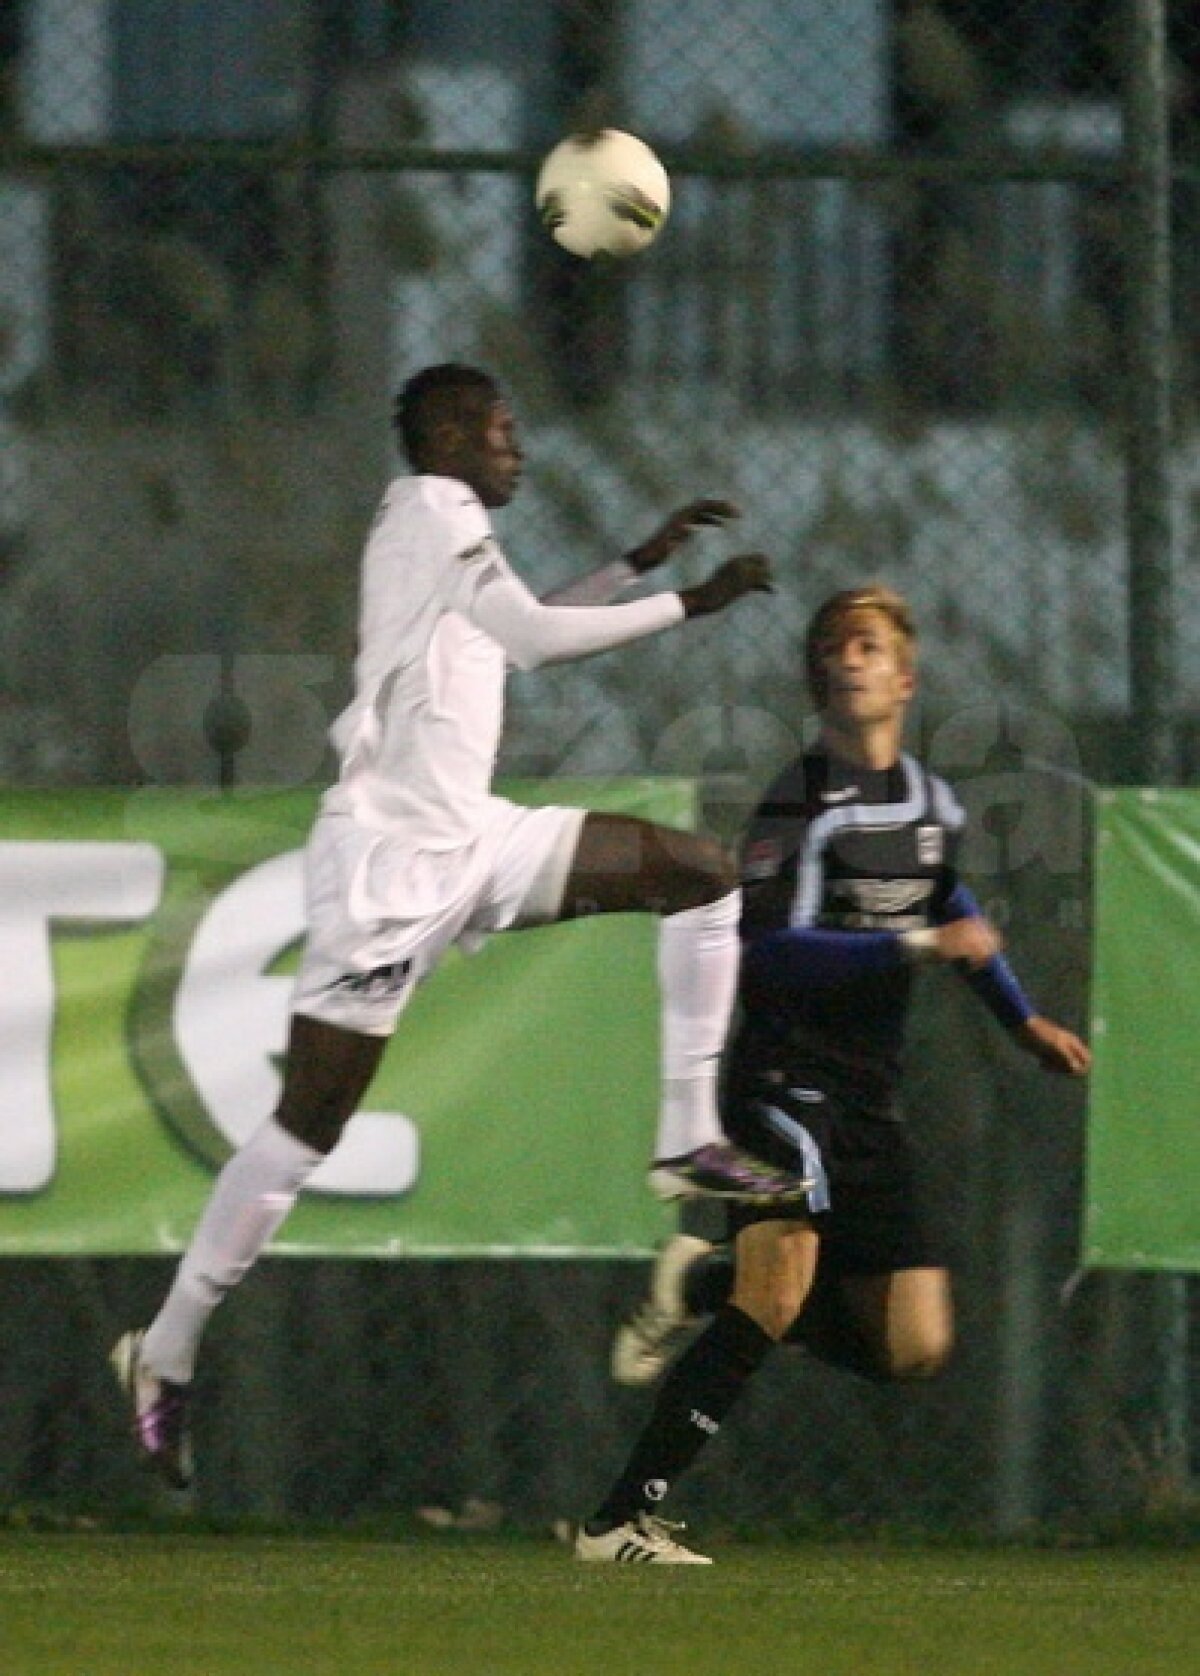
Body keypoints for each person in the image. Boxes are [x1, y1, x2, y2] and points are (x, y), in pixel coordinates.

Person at [111, 362, 810, 1491]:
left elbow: (503, 631)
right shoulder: (434, 507)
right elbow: (533, 638)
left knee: (700, 874)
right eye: (498, 425)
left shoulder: (444, 528)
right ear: (444, 432)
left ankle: (688, 1132)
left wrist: (639, 560)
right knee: (305, 1128)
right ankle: (168, 1348)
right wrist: (695, 600)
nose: (514, 443)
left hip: (477, 838)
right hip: (389, 863)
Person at [576, 583, 1091, 1564]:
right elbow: (766, 950)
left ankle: (705, 1279)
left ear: (906, 675)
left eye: (867, 645)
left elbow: (954, 907)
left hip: (868, 1095)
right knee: (779, 1289)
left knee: (915, 1344)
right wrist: (912, 943)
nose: (847, 658)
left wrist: (1022, 1018)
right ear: (820, 679)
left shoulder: (931, 800)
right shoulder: (799, 801)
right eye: (832, 647)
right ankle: (616, 1520)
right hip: (780, 1080)